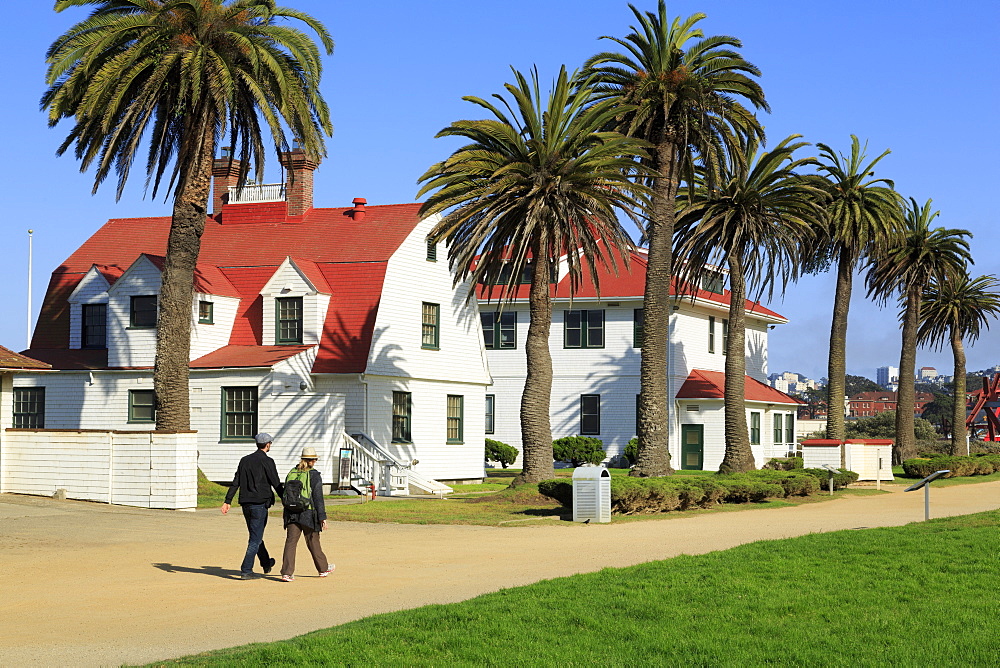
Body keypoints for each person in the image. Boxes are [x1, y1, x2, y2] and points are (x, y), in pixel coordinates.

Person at [221, 433, 284, 580]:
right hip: (260, 504)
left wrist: (228, 500)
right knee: (255, 538)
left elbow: (236, 481)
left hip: (246, 504)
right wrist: (286, 500)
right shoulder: (268, 461)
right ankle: (246, 570)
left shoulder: (244, 460)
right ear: (267, 444)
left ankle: (266, 562)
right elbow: (276, 483)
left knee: (256, 535)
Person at [280, 446, 334, 582]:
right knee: (313, 541)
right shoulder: (314, 475)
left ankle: (287, 572)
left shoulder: (292, 472)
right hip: (308, 513)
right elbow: (318, 498)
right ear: (312, 460)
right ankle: (323, 568)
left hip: (291, 512)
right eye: (315, 459)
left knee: (291, 542)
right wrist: (322, 517)